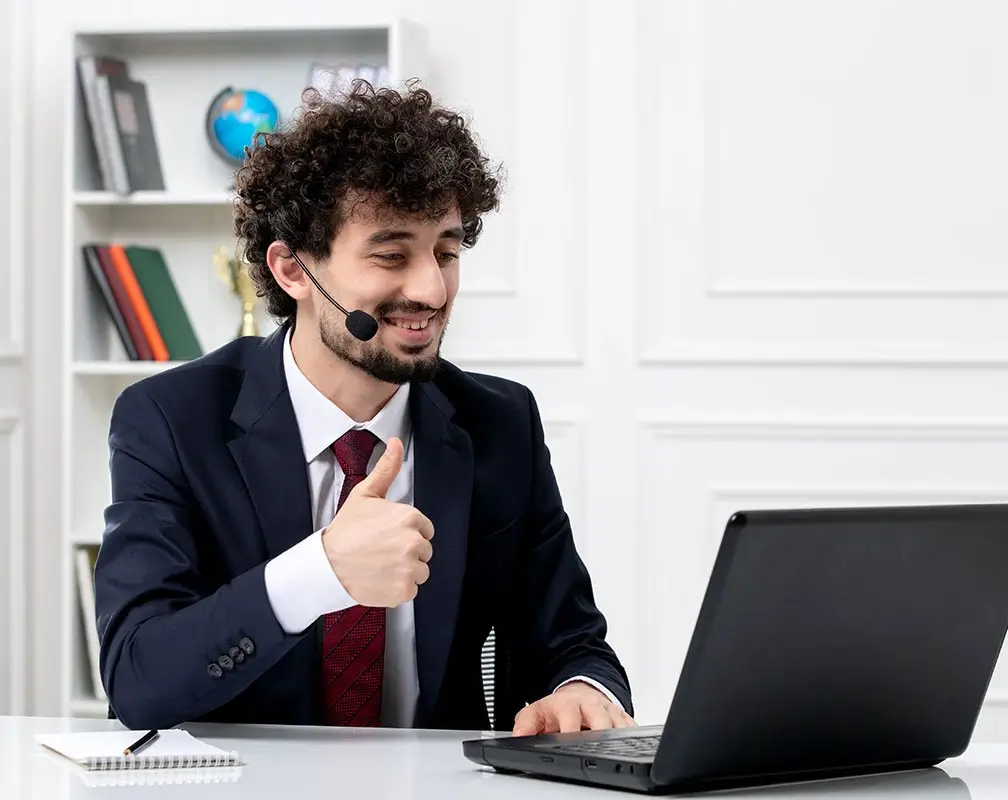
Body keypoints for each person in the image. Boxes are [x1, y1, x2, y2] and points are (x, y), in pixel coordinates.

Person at [93, 81, 634, 735]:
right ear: (293, 270)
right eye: (391, 255)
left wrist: (581, 689)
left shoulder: (500, 422)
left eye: (446, 252)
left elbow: (573, 641)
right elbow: (138, 681)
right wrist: (318, 571)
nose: (432, 289)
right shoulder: (171, 420)